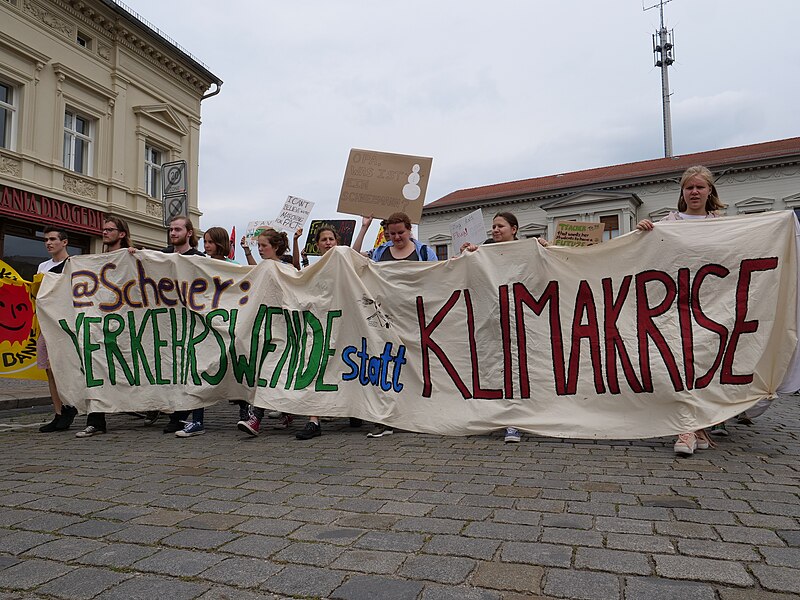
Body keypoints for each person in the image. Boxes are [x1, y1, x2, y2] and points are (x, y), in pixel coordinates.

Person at [637, 165, 725, 455]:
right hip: (675, 306)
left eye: (700, 187)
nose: (695, 192)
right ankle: (687, 429)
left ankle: (697, 427)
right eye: (689, 187)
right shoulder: (669, 222)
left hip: (712, 306)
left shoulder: (721, 224)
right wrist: (643, 232)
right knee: (680, 366)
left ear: (709, 190)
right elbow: (645, 253)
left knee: (703, 367)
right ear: (682, 192)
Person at [461, 212, 549, 444]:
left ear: (514, 229)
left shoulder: (528, 249)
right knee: (496, 370)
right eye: (493, 226)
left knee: (519, 373)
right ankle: (499, 416)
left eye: (500, 226)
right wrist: (468, 253)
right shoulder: (483, 252)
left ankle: (516, 421)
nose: (495, 230)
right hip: (492, 324)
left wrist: (546, 248)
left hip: (522, 321)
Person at [357, 212, 438, 439]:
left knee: (418, 367)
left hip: (415, 319)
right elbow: (352, 257)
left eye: (400, 232)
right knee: (389, 367)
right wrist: (364, 228)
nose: (396, 237)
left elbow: (439, 278)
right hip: (387, 320)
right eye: (391, 233)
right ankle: (388, 418)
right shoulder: (380, 252)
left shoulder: (423, 252)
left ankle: (419, 413)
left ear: (409, 230)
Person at [293, 225, 363, 440]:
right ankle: (313, 420)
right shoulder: (316, 268)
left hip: (346, 322)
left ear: (337, 241)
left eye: (331, 238)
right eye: (323, 239)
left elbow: (358, 254)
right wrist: (295, 240)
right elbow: (296, 271)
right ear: (318, 243)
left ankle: (353, 409)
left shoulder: (344, 260)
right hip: (323, 323)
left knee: (349, 364)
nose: (328, 242)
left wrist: (365, 226)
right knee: (315, 366)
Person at [143, 216, 206, 433]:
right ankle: (177, 415)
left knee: (193, 369)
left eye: (178, 229)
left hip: (192, 321)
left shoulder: (199, 258)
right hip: (167, 323)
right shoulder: (162, 255)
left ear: (189, 232)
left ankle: (193, 417)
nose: (173, 233)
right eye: (171, 230)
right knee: (172, 369)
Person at [75, 216, 133, 438]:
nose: (105, 232)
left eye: (110, 229)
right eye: (104, 229)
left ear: (121, 234)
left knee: (126, 366)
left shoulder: (130, 257)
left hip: (125, 323)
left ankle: (150, 404)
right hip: (99, 322)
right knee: (95, 367)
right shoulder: (95, 260)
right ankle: (96, 420)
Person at [237, 228, 294, 436]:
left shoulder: (287, 268)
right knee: (267, 371)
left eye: (264, 246)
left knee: (272, 370)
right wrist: (246, 252)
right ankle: (277, 413)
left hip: (284, 326)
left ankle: (256, 419)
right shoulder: (263, 266)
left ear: (275, 247)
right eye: (258, 246)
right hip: (265, 326)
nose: (260, 249)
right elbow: (255, 273)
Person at [37, 226, 78, 433]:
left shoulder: (73, 265)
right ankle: (59, 412)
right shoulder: (43, 266)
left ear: (64, 242)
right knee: (49, 370)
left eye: (53, 239)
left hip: (65, 323)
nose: (48, 243)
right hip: (46, 323)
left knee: (60, 367)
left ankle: (70, 405)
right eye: (46, 240)